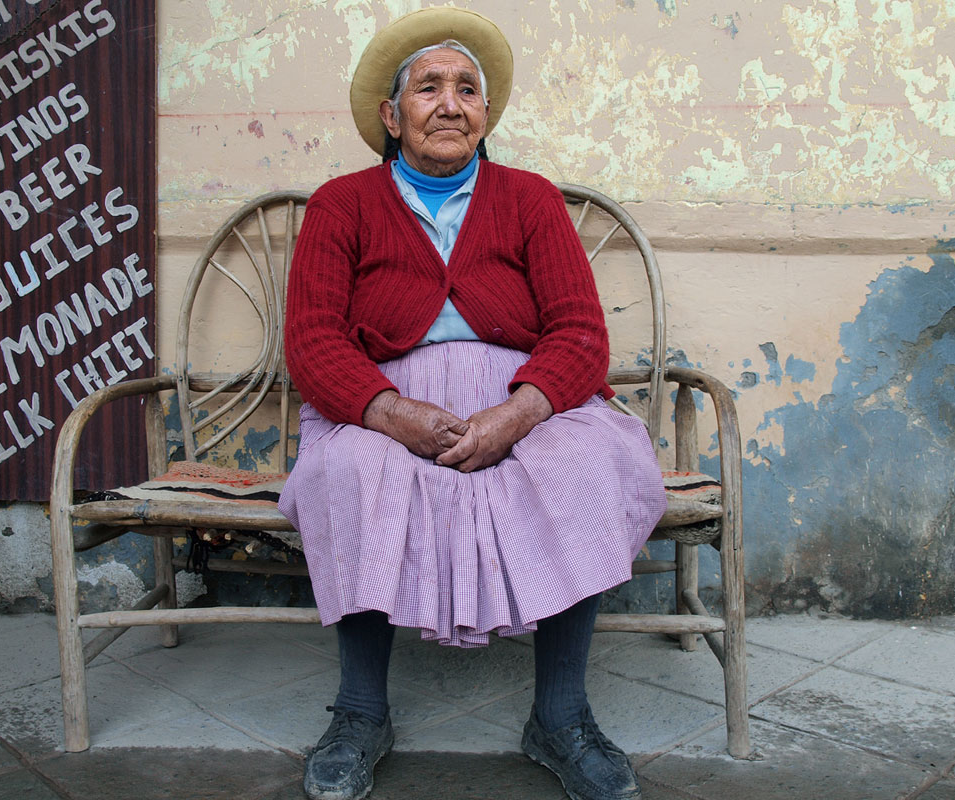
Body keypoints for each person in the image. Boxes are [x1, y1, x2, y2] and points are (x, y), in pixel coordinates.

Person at [278, 8, 668, 800]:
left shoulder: (529, 199)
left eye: (467, 90)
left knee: (585, 465)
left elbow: (582, 334)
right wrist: (393, 414)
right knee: (352, 470)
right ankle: (359, 714)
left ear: (485, 113)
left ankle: (560, 719)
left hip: (526, 402)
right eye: (428, 88)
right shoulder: (340, 205)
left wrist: (519, 413)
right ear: (392, 115)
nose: (450, 104)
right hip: (386, 405)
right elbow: (314, 342)